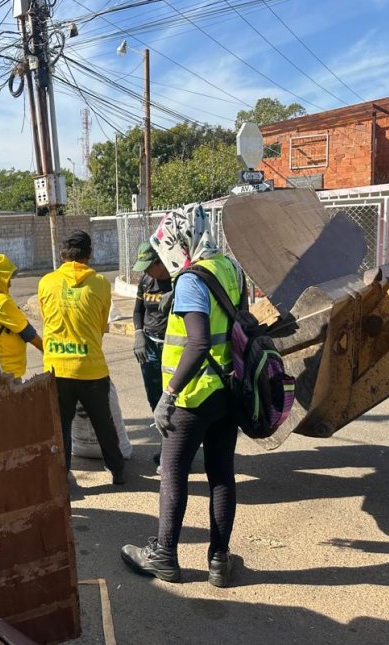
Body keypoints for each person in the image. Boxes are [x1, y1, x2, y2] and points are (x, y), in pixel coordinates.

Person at [121, 205, 244, 588]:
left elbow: (198, 341)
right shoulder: (229, 267)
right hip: (227, 391)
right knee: (221, 474)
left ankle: (164, 556)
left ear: (180, 240)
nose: (164, 255)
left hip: (193, 396)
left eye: (166, 246)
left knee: (173, 475)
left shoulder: (192, 279)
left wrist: (168, 395)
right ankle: (219, 561)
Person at [38, 230, 125, 485]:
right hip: (91, 369)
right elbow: (101, 326)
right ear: (89, 255)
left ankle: (61, 477)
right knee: (103, 424)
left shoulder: (46, 282)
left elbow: (45, 319)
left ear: (63, 255)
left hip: (56, 368)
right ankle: (117, 471)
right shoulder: (100, 283)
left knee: (60, 427)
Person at [131, 241, 172, 472]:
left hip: (172, 348)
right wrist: (138, 334)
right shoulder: (146, 280)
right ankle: (168, 447)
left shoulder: (177, 280)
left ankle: (172, 452)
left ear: (160, 260)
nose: (146, 272)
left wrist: (175, 296)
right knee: (155, 399)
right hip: (149, 346)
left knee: (172, 401)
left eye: (149, 266)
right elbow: (138, 311)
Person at [0, 253, 42, 378]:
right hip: (8, 371)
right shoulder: (1, 302)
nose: (10, 284)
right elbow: (28, 333)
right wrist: (48, 352)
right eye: (6, 278)